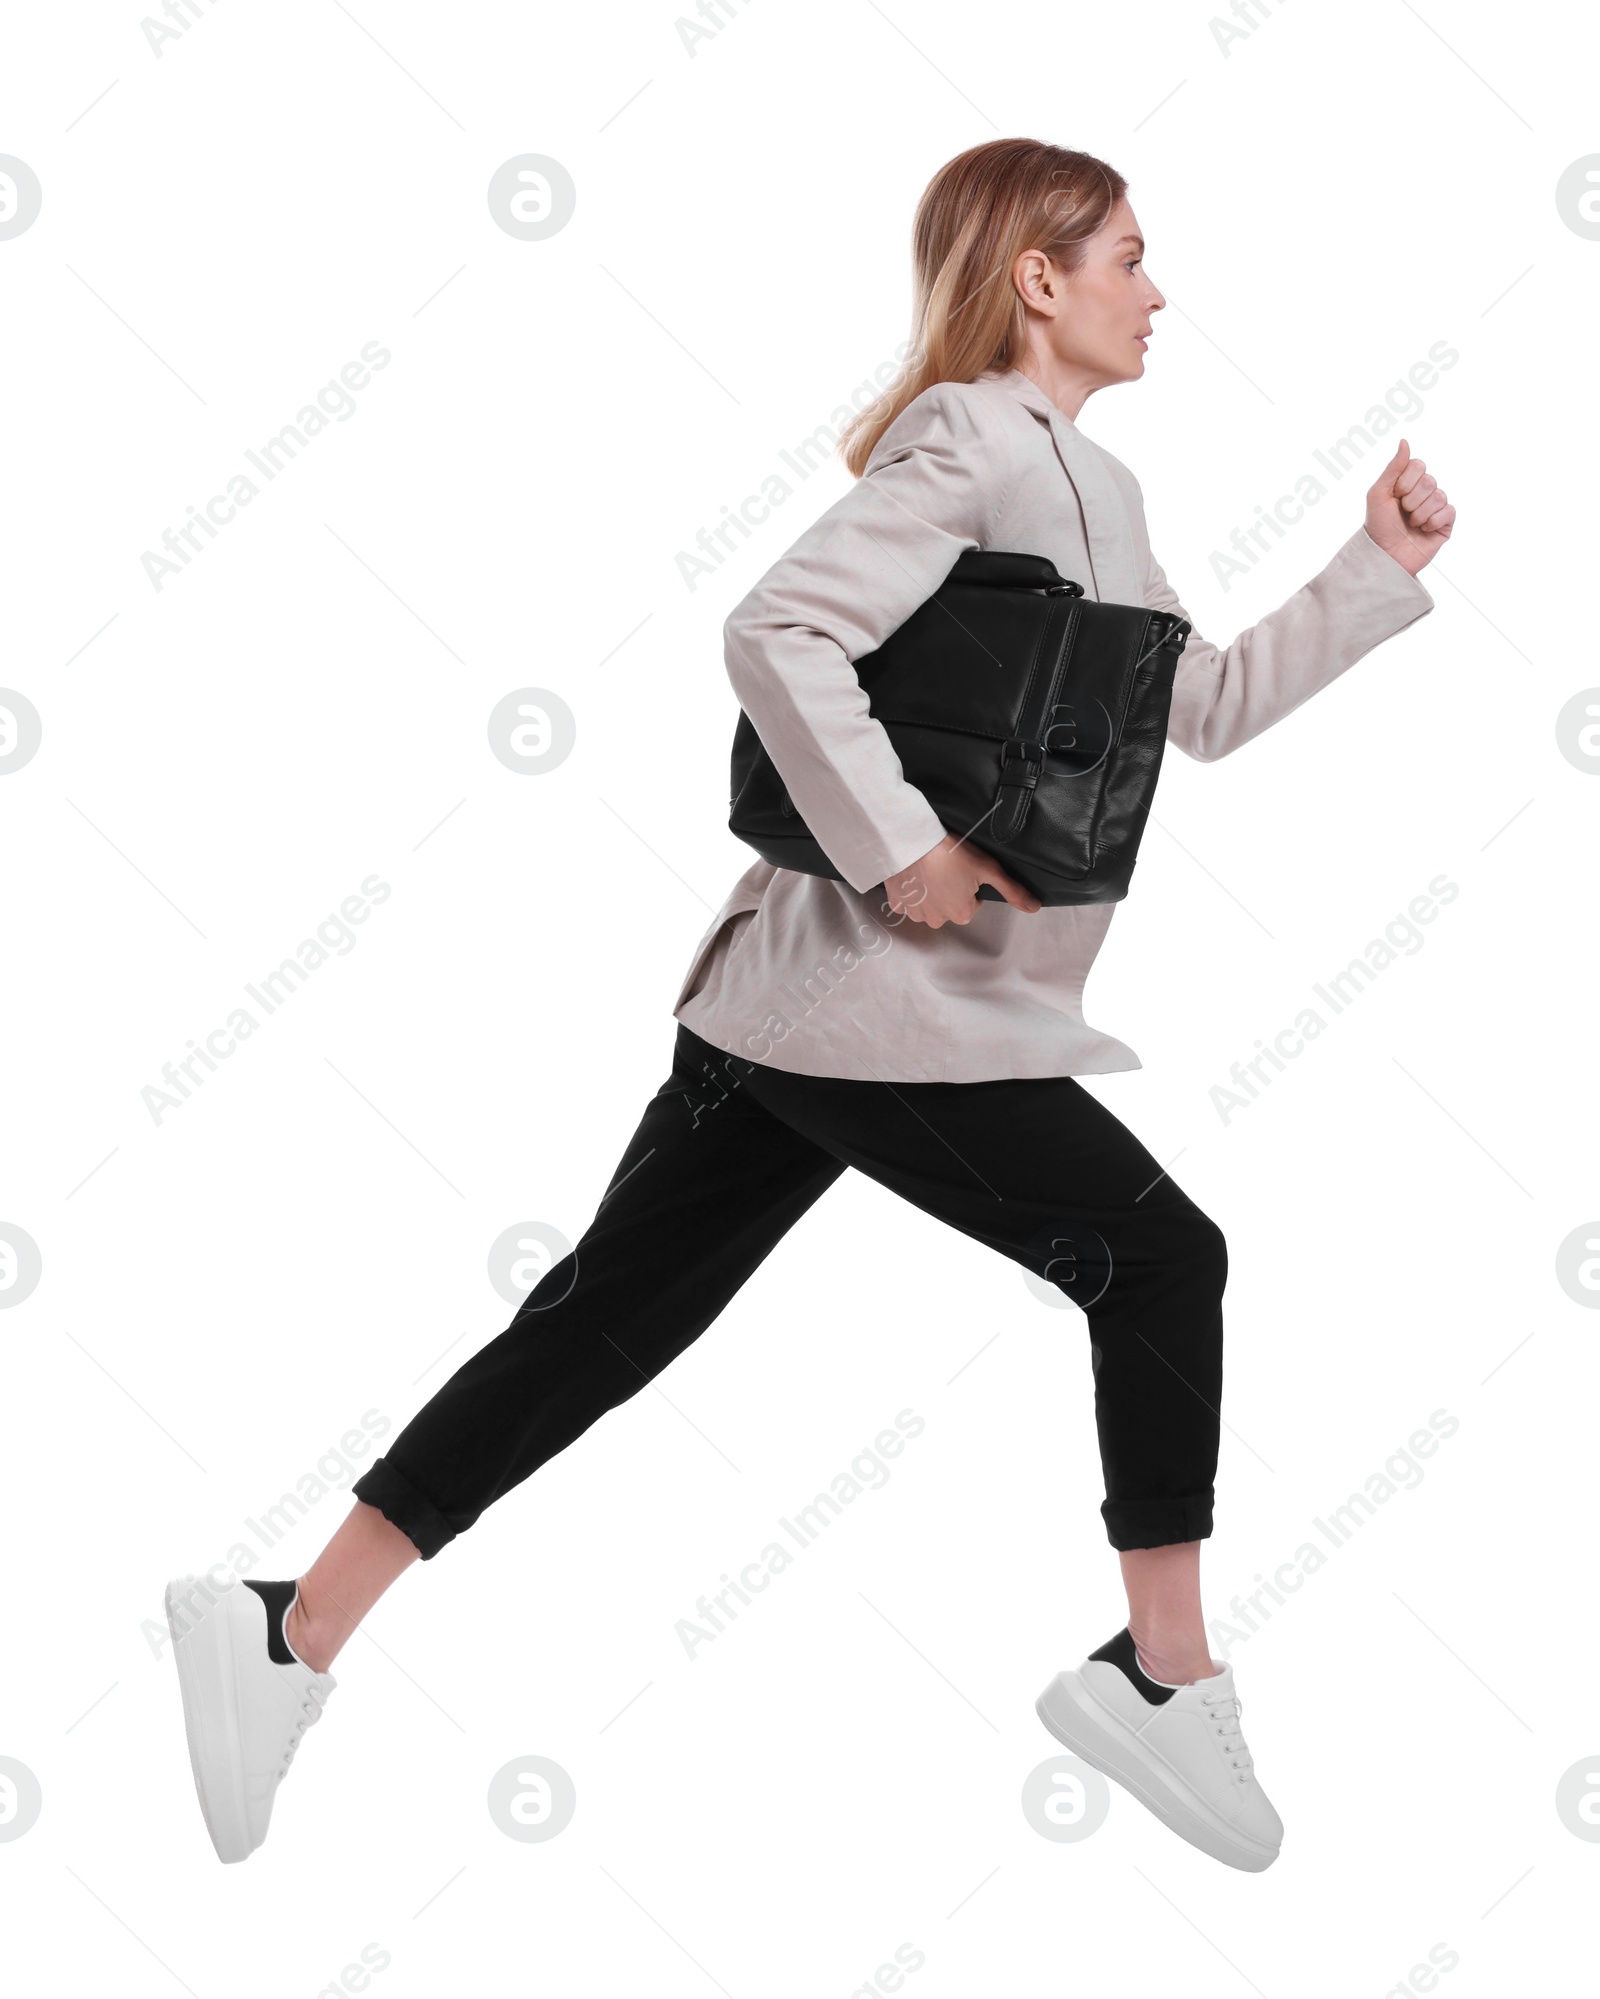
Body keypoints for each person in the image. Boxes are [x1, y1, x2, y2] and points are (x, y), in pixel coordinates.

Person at [164, 137, 1453, 1872]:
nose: (1162, 292)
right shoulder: (969, 438)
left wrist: (1369, 567)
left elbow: (1192, 713)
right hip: (875, 1000)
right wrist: (905, 851)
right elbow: (781, 632)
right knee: (1161, 1259)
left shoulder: (1105, 488)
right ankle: (1162, 1677)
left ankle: (285, 1630)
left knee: (602, 1326)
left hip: (795, 1009)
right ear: (1037, 280)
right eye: (1131, 256)